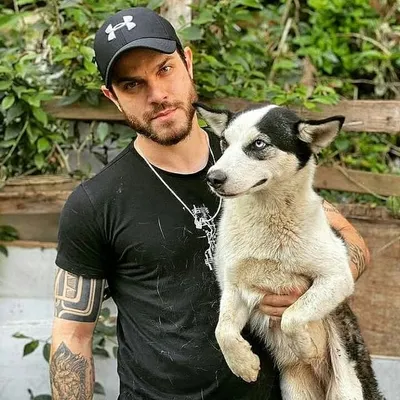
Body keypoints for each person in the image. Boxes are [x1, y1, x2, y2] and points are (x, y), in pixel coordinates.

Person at [49, 7, 370, 400]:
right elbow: (72, 336)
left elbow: (349, 241)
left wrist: (310, 293)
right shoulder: (95, 203)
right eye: (132, 85)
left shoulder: (253, 155)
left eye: (165, 69)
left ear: (188, 63)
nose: (157, 95)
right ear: (112, 97)